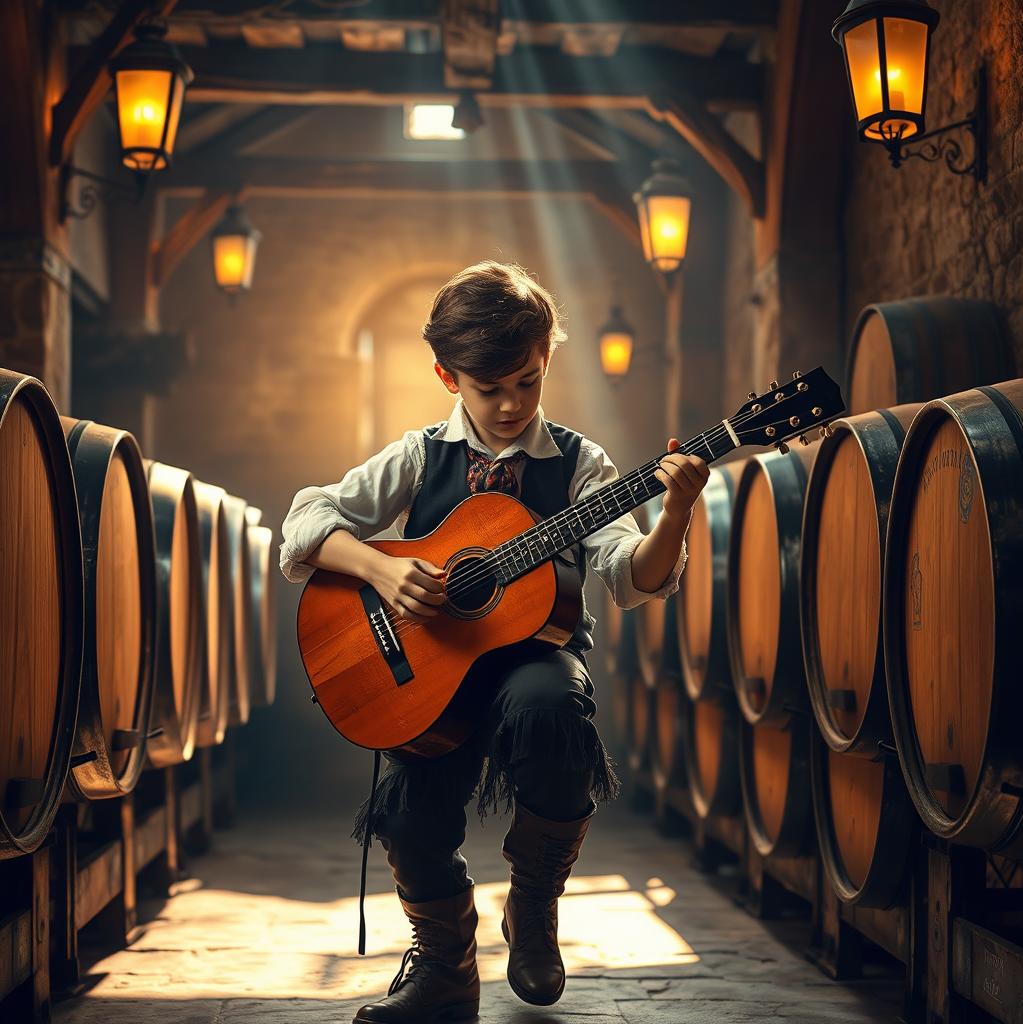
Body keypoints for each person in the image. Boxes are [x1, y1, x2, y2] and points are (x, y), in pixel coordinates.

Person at [279, 260, 709, 1024]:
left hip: (535, 663)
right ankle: (445, 971)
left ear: (547, 361)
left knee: (553, 705)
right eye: (491, 388)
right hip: (432, 671)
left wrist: (673, 515)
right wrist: (380, 570)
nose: (512, 404)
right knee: (407, 820)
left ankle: (534, 906)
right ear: (448, 376)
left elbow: (629, 577)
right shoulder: (419, 454)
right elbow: (307, 519)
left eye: (528, 382)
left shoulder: (583, 466)